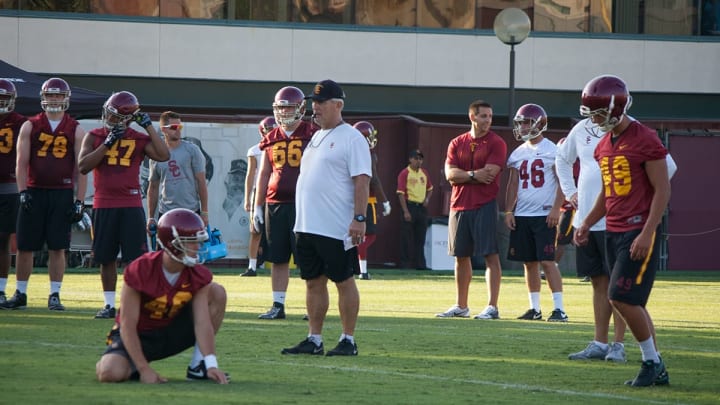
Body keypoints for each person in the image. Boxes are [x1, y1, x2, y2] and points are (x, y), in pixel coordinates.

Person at [574, 74, 671, 387]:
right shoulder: (603, 144)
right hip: (612, 230)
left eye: (599, 113)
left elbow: (663, 189)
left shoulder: (645, 137)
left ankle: (652, 362)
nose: (596, 121)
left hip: (637, 229)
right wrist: (587, 221)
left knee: (621, 296)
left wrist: (647, 231)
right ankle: (655, 365)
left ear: (616, 107)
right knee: (627, 299)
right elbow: (609, 192)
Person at [281, 79, 371, 356]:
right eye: (313, 102)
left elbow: (362, 180)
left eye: (320, 102)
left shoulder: (352, 137)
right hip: (308, 224)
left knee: (343, 280)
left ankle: (348, 339)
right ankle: (314, 338)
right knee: (313, 281)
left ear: (338, 105)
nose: (314, 107)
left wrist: (359, 217)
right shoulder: (316, 136)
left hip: (335, 226)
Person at [95, 208, 229, 384]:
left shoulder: (197, 274)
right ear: (172, 243)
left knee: (217, 291)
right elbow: (127, 325)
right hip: (140, 335)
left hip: (171, 331)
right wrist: (144, 369)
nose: (198, 247)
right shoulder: (141, 270)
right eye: (192, 242)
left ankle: (199, 366)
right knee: (109, 372)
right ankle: (134, 364)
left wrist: (212, 364)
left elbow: (202, 322)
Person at [78, 91, 170, 319]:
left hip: (130, 203)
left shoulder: (138, 138)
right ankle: (109, 304)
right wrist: (107, 144)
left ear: (126, 118)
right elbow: (83, 166)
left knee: (135, 258)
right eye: (108, 114)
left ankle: (134, 303)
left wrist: (148, 126)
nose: (108, 119)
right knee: (105, 257)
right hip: (104, 204)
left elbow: (163, 155)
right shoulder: (95, 135)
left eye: (114, 115)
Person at [0, 77, 87, 311]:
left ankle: (55, 294)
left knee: (58, 247)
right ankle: (20, 293)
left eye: (58, 95)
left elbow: (82, 168)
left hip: (62, 192)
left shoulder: (75, 129)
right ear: (43, 97)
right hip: (34, 191)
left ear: (66, 98)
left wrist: (79, 200)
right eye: (51, 95)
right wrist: (22, 191)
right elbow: (21, 162)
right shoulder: (31, 125)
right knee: (25, 246)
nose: (54, 99)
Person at [558, 118, 629, 363]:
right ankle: (600, 342)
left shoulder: (632, 129)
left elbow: (667, 167)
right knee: (598, 282)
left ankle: (618, 344)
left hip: (618, 221)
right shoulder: (581, 128)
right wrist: (570, 192)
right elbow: (562, 158)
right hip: (588, 218)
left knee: (618, 287)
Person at [436, 99, 506, 319]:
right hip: (459, 205)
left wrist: (464, 175)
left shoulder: (497, 143)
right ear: (472, 117)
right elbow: (450, 175)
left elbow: (490, 174)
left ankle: (492, 306)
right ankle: (461, 305)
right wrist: (474, 175)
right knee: (460, 257)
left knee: (490, 256)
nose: (488, 120)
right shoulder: (457, 143)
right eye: (484, 116)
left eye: (490, 116)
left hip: (485, 204)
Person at [253, 86, 316, 319]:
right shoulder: (270, 138)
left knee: (307, 257)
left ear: (300, 108)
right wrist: (258, 206)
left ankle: (313, 304)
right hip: (275, 203)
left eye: (289, 107)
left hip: (304, 204)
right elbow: (264, 173)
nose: (284, 113)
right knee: (278, 257)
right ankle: (278, 305)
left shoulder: (312, 133)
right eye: (281, 108)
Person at [504, 104, 568, 322]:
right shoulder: (517, 153)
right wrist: (508, 211)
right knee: (529, 263)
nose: (522, 127)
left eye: (526, 122)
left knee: (548, 261)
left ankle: (559, 309)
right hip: (522, 215)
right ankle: (535, 308)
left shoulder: (554, 151)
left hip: (544, 215)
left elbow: (563, 183)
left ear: (539, 123)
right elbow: (512, 184)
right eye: (520, 122)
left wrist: (556, 209)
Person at [146, 111, 209, 228]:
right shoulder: (156, 154)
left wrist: (204, 212)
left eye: (180, 127)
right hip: (166, 214)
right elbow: (153, 187)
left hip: (191, 211)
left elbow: (201, 181)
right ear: (163, 130)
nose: (178, 130)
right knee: (165, 247)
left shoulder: (192, 150)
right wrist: (150, 217)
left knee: (189, 247)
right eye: (174, 127)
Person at [0, 79, 27, 304]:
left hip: (9, 187)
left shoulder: (21, 123)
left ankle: (0, 289)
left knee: (3, 240)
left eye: (4, 98)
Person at [354, 120, 391, 279]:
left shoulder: (351, 153)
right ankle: (362, 271)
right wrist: (385, 200)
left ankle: (359, 268)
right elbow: (374, 180)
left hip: (351, 200)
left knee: (358, 236)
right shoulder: (368, 155)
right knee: (368, 236)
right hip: (367, 200)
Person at [240, 116, 275, 277]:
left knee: (281, 229)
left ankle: (282, 264)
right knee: (255, 230)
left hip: (278, 191)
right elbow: (250, 175)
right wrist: (247, 198)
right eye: (268, 129)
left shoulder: (281, 147)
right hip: (259, 192)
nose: (271, 132)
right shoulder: (255, 150)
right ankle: (252, 266)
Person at [396, 149, 432, 270]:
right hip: (409, 205)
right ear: (410, 159)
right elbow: (400, 193)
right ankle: (405, 264)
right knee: (406, 237)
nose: (418, 161)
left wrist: (427, 200)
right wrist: (405, 211)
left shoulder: (424, 173)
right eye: (416, 158)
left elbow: (430, 188)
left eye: (420, 159)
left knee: (420, 237)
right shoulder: (405, 173)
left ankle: (420, 264)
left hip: (421, 207)